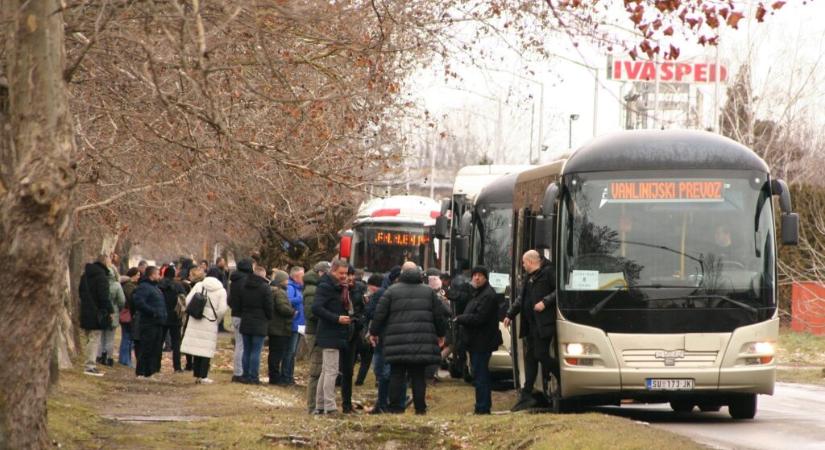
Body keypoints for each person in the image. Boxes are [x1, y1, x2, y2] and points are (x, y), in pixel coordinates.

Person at [369, 262, 447, 415]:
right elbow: (439, 316)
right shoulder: (428, 292)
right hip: (421, 341)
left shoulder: (391, 291)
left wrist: (374, 332)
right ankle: (420, 408)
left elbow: (379, 315)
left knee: (396, 374)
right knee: (418, 376)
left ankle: (395, 408)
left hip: (396, 341)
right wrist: (441, 334)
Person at [504, 250, 557, 411]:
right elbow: (521, 299)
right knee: (530, 359)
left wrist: (545, 302)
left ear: (532, 261)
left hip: (543, 325)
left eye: (524, 262)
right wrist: (510, 314)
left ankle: (561, 376)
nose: (523, 265)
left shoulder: (548, 273)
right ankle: (526, 394)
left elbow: (559, 292)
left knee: (541, 354)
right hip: (531, 326)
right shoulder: (529, 278)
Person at [455, 266, 501, 414]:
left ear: (485, 278)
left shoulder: (487, 295)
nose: (476, 278)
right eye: (474, 275)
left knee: (481, 375)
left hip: (482, 341)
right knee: (479, 374)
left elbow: (480, 318)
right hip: (476, 341)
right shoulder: (478, 293)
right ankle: (481, 405)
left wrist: (461, 319)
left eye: (480, 275)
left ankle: (482, 407)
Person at [312, 259, 351, 415]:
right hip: (330, 333)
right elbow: (316, 308)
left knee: (326, 370)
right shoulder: (326, 286)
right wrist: (337, 318)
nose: (344, 276)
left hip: (335, 333)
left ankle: (320, 405)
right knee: (331, 371)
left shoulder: (339, 287)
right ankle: (330, 406)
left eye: (346, 273)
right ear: (333, 271)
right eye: (341, 273)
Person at [180, 267, 228, 384]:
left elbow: (187, 300)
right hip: (210, 322)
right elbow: (222, 309)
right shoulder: (221, 290)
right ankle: (204, 376)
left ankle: (197, 374)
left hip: (196, 318)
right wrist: (216, 319)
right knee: (206, 349)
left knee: (197, 348)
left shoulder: (199, 285)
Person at [365, 265, 401, 414]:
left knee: (388, 372)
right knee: (383, 371)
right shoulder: (382, 293)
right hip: (383, 337)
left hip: (389, 336)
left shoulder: (391, 292)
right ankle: (384, 403)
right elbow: (372, 313)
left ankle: (388, 402)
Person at [79, 254, 115, 376]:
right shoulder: (101, 277)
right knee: (94, 339)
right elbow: (104, 297)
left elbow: (81, 292)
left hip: (86, 310)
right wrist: (110, 311)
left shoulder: (85, 275)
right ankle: (90, 365)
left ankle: (90, 363)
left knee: (89, 339)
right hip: (97, 313)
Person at [237, 265, 274, 384]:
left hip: (246, 320)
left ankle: (245, 375)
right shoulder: (265, 288)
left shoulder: (244, 286)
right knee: (256, 351)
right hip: (260, 322)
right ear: (263, 275)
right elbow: (269, 306)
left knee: (246, 350)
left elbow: (239, 303)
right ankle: (253, 377)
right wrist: (269, 318)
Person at [132, 266, 167, 378]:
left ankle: (150, 371)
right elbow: (139, 302)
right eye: (157, 274)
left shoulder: (156, 288)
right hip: (148, 322)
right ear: (152, 275)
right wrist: (153, 312)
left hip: (158, 322)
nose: (159, 276)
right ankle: (141, 372)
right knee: (146, 347)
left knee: (155, 348)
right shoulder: (144, 287)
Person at [304, 261, 329, 413]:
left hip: (318, 331)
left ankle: (317, 403)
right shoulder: (312, 290)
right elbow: (311, 313)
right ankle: (312, 405)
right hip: (315, 332)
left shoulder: (315, 287)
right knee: (316, 369)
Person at [267, 269, 296, 385]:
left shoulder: (274, 291)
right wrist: (293, 312)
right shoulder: (280, 293)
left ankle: (273, 376)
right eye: (286, 280)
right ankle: (275, 378)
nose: (287, 282)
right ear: (281, 281)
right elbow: (283, 308)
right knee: (276, 354)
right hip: (279, 328)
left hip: (275, 327)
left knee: (274, 353)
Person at [354, 274, 383, 386]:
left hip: (369, 331)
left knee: (367, 356)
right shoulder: (386, 294)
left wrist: (367, 304)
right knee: (368, 358)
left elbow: (369, 313)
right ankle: (368, 380)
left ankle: (360, 380)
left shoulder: (376, 296)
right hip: (374, 331)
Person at [228, 258, 254, 382]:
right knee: (242, 345)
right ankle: (239, 372)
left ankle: (239, 371)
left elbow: (230, 300)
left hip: (235, 314)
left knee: (239, 344)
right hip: (243, 315)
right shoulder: (246, 281)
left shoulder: (234, 281)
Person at [158, 266, 186, 372]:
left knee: (159, 342)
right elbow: (184, 300)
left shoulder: (159, 285)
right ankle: (177, 367)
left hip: (162, 316)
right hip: (175, 317)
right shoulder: (178, 286)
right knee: (176, 343)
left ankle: (157, 365)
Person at [281, 266, 305, 385]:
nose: (304, 278)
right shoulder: (291, 287)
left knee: (293, 352)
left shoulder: (299, 288)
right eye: (302, 276)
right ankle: (285, 376)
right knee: (289, 351)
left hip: (299, 324)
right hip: (293, 324)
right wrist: (300, 298)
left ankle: (289, 376)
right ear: (296, 277)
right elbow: (288, 301)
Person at [98, 263, 126, 367]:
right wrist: (118, 308)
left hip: (100, 312)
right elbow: (122, 301)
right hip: (113, 312)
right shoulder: (116, 285)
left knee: (101, 337)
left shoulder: (100, 284)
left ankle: (99, 355)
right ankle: (109, 358)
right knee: (110, 338)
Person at [118, 267, 140, 367]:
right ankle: (125, 360)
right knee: (128, 338)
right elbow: (132, 300)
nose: (139, 277)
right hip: (129, 314)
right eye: (137, 275)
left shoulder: (126, 285)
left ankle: (124, 359)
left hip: (125, 314)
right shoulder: (129, 286)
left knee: (126, 337)